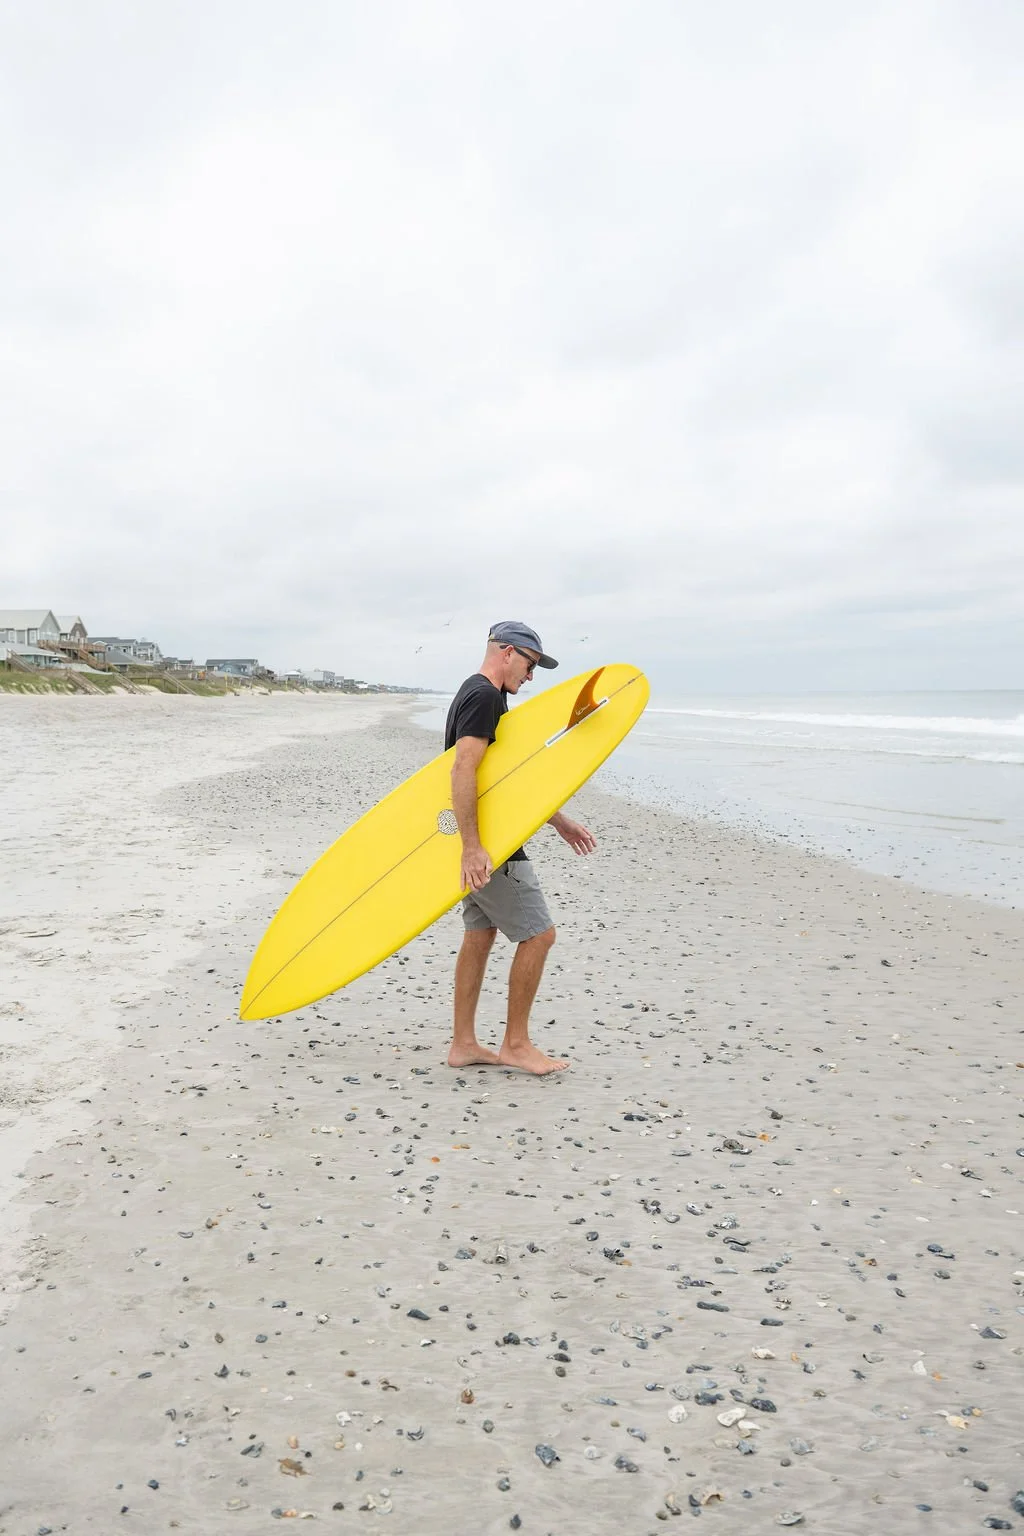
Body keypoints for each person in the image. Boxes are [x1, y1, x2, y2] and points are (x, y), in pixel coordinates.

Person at [445, 621, 596, 1075]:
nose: (531, 677)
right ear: (507, 652)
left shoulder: (474, 693)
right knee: (539, 935)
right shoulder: (487, 697)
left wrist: (558, 821)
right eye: (530, 665)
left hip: (486, 834)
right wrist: (473, 847)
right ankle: (516, 1044)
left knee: (480, 934)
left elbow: (503, 778)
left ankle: (464, 1043)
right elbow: (462, 771)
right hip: (492, 842)